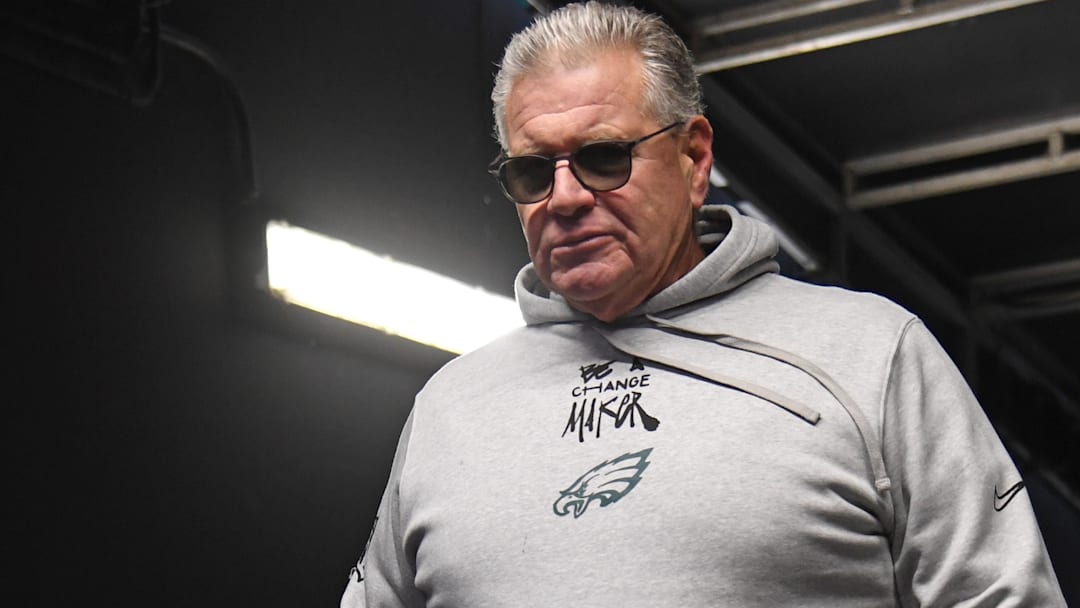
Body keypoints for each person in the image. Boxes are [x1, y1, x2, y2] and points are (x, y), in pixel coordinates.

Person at [341, 2, 1066, 606]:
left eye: (603, 158)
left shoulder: (872, 356)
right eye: (533, 172)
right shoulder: (451, 408)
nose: (563, 198)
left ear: (694, 159)